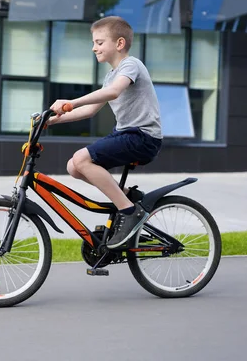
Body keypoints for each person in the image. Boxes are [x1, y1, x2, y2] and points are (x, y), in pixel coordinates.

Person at [47, 16, 162, 249]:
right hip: (125, 134)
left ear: (119, 44)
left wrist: (71, 101)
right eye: (94, 42)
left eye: (99, 42)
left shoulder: (131, 65)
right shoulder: (111, 75)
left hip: (143, 137)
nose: (94, 47)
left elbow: (113, 93)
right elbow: (90, 111)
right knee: (74, 166)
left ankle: (129, 212)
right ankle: (129, 196)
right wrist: (50, 121)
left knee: (82, 158)